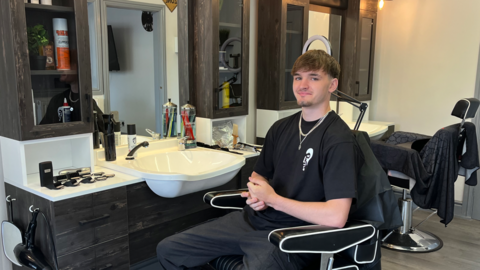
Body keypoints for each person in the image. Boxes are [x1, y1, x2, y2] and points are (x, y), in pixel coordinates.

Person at [156, 50, 364, 270]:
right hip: (252, 221)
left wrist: (273, 199)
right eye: (297, 77)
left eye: (313, 77)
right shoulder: (280, 128)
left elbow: (336, 217)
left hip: (295, 235)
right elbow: (258, 177)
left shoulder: (338, 139)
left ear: (332, 85)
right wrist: (258, 194)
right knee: (170, 250)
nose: (303, 84)